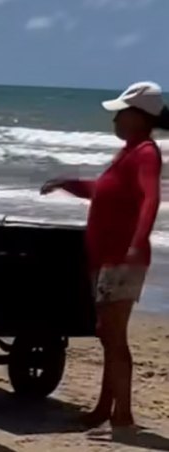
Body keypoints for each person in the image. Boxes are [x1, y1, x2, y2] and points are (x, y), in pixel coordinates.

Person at [41, 82, 166, 430]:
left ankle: (122, 413)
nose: (115, 118)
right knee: (106, 332)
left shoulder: (145, 152)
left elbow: (150, 199)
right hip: (105, 256)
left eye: (121, 113)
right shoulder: (127, 152)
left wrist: (136, 242)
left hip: (122, 257)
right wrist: (68, 183)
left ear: (139, 117)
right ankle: (104, 407)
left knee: (114, 335)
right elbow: (104, 191)